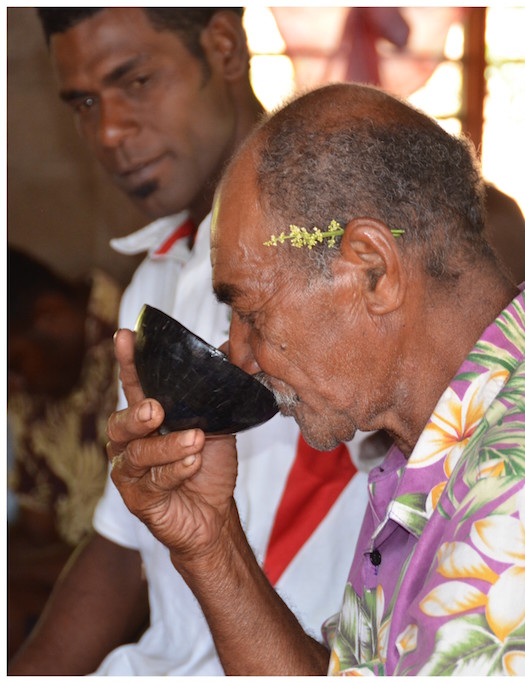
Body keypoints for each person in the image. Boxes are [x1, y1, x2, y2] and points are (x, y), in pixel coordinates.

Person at [103, 82, 525, 676]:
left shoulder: (524, 526)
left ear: (373, 271)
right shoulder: (463, 433)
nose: (241, 355)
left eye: (250, 312)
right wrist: (213, 544)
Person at [11, 9, 371, 674]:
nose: (110, 131)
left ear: (224, 49)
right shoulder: (155, 279)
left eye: (138, 80)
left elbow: (480, 225)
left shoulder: (343, 247)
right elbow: (121, 544)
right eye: (85, 102)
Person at [7, 248, 121, 656]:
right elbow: (38, 530)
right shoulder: (29, 399)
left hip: (145, 585)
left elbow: (137, 558)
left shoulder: (135, 334)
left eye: (15, 364)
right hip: (64, 586)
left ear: (50, 317)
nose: (13, 386)